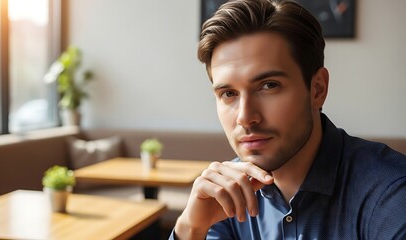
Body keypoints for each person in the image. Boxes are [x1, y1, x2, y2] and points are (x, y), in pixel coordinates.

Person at [169, 0, 406, 239]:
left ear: (317, 89)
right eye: (228, 94)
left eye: (269, 86)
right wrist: (190, 228)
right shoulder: (224, 194)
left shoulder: (392, 195)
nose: (245, 117)